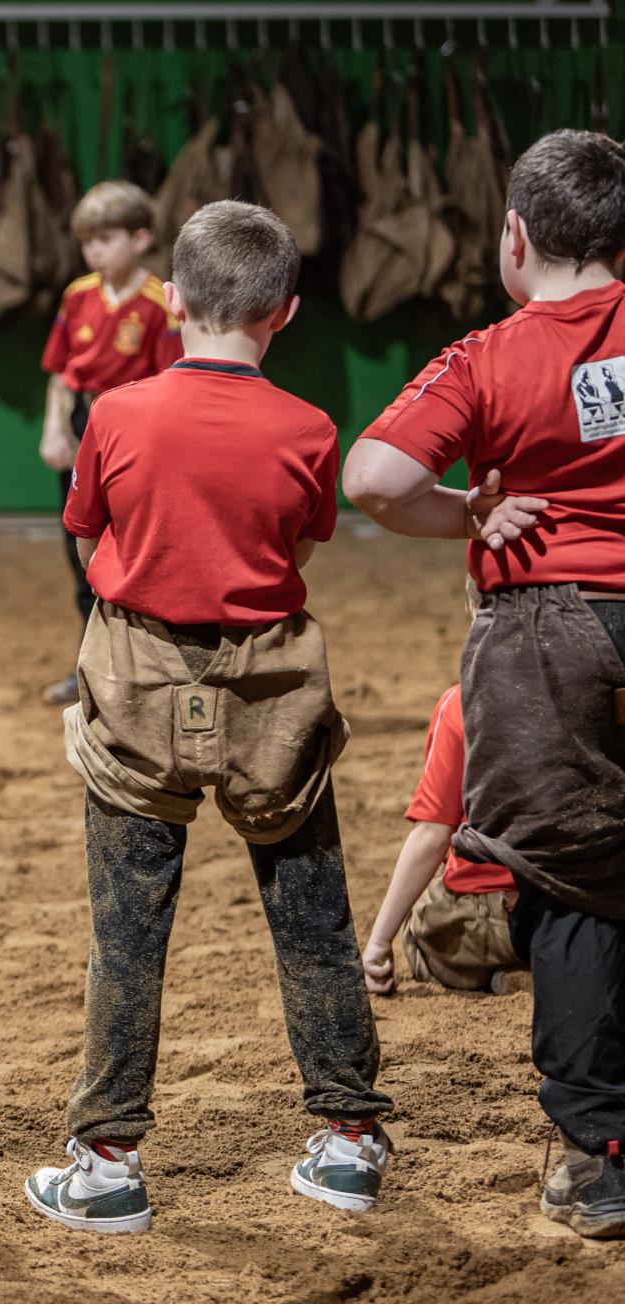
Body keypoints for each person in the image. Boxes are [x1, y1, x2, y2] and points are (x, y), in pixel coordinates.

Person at [25, 202, 392, 1235]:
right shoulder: (310, 428)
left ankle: (104, 1164)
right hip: (271, 685)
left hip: (136, 675)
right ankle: (350, 1140)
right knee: (311, 917)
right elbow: (300, 542)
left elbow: (87, 526)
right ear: (283, 313)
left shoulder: (116, 416)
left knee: (125, 929)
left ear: (170, 298)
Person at [343, 128, 625, 1241]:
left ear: (514, 238)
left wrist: (462, 510)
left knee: (569, 880)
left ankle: (595, 1154)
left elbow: (371, 477)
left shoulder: (484, 356)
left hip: (548, 631)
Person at [35, 181, 181, 706]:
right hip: (83, 419)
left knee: (138, 548)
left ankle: (147, 669)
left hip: (135, 425)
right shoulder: (77, 296)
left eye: (106, 238)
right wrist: (55, 429)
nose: (94, 250)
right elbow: (60, 374)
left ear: (141, 239)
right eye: (86, 241)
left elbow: (168, 385)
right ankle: (89, 666)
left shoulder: (157, 302)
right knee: (80, 548)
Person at [361, 631, 525, 996]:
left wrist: (378, 941)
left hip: (497, 914)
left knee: (422, 933)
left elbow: (432, 835)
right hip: (579, 908)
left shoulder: (463, 702)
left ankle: (508, 973)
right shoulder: (592, 689)